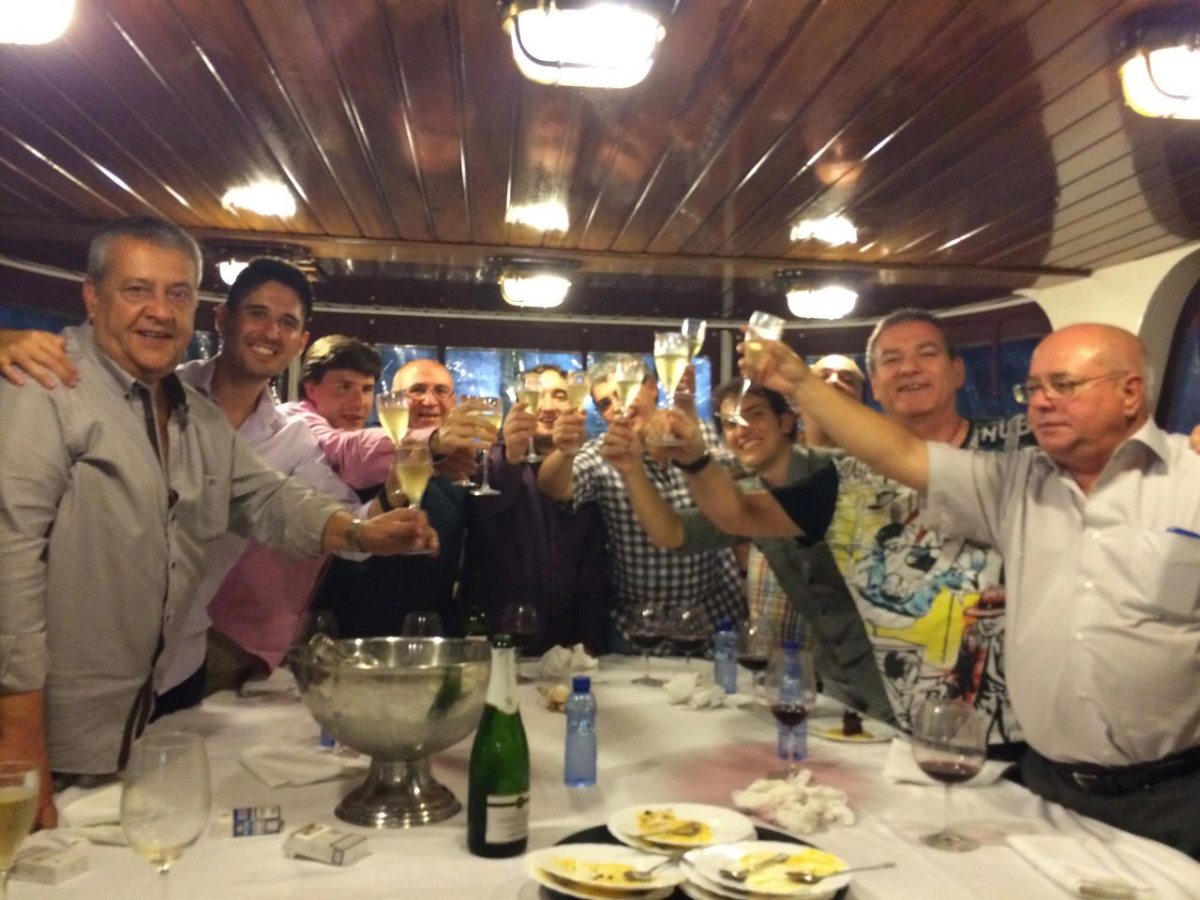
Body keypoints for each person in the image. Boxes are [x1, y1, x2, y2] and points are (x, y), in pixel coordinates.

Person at [0, 217, 434, 828]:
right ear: (92, 297)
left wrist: (363, 533)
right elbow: (9, 565)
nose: (159, 311)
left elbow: (268, 498)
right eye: (137, 289)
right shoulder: (43, 385)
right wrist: (18, 741)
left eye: (177, 293)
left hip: (153, 702)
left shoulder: (191, 414)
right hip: (46, 728)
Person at [741, 322, 1200, 856]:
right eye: (1033, 388)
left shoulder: (1190, 478)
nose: (1042, 402)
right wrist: (799, 383)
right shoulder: (1016, 483)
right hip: (1048, 789)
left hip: (1175, 797)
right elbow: (898, 453)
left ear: (1130, 392)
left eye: (1064, 385)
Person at [647, 310, 1028, 755]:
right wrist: (694, 458)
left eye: (926, 354)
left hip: (1018, 729)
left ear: (958, 371)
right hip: (900, 724)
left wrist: (800, 383)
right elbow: (739, 514)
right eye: (891, 360)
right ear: (876, 385)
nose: (908, 368)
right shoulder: (847, 477)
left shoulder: (1015, 451)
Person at [603, 371, 895, 722]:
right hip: (833, 679)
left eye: (754, 415)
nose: (742, 430)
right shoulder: (744, 499)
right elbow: (672, 532)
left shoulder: (834, 474)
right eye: (730, 424)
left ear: (785, 421)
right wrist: (632, 471)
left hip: (894, 669)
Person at [537, 357, 744, 649]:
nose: (617, 407)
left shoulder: (699, 434)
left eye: (626, 391)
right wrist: (566, 451)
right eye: (605, 403)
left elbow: (742, 495)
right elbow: (553, 485)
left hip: (711, 616)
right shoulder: (604, 453)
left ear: (652, 388)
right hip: (639, 625)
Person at [300, 353, 495, 636]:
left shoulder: (461, 471)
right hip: (352, 632)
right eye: (417, 390)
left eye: (440, 391)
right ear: (393, 402)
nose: (429, 401)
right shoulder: (363, 453)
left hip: (433, 632)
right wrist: (430, 445)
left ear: (452, 402)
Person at [459, 365, 609, 653]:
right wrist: (510, 455)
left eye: (559, 395)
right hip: (501, 639)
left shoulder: (588, 466)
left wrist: (590, 641)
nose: (547, 406)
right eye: (537, 395)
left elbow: (593, 562)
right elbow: (483, 506)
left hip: (570, 643)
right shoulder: (491, 458)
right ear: (520, 403)